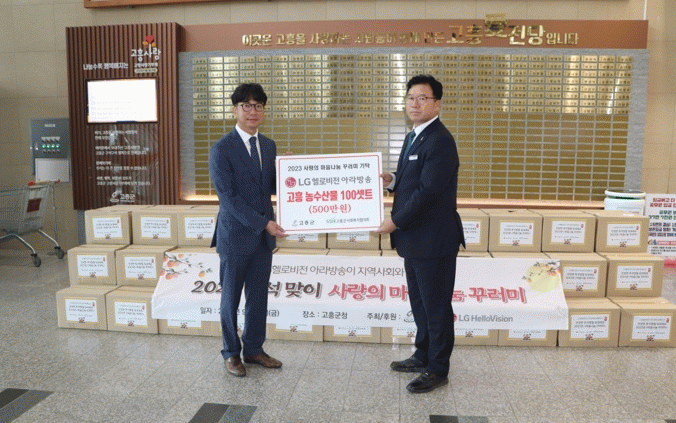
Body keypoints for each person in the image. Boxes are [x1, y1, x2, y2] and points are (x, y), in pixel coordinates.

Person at [375, 74, 465, 393]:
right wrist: (392, 181)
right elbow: (414, 181)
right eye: (411, 97)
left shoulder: (440, 140)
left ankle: (438, 368)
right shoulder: (414, 136)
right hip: (415, 241)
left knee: (436, 306)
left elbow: (428, 192)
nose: (415, 103)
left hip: (433, 240)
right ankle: (423, 354)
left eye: (423, 98)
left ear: (437, 104)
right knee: (420, 303)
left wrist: (394, 221)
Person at [210, 83, 287, 377]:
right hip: (235, 237)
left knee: (258, 297)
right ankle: (231, 353)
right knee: (230, 299)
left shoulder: (268, 146)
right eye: (246, 106)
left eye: (258, 106)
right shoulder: (222, 148)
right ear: (235, 110)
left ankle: (254, 349)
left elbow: (270, 186)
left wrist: (290, 171)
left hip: (262, 240)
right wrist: (263, 223)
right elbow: (228, 198)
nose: (252, 111)